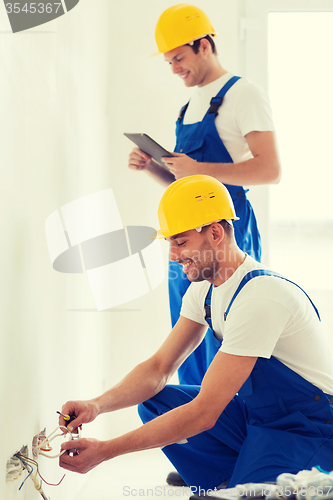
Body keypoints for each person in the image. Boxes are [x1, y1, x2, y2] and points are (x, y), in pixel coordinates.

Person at [59, 175, 333, 492]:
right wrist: (97, 405)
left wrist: (107, 451)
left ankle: (261, 481)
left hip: (308, 429)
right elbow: (159, 368)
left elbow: (205, 412)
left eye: (181, 242)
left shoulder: (260, 297)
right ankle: (230, 481)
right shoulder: (205, 290)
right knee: (155, 401)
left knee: (250, 495)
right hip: (259, 415)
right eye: (170, 244)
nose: (174, 255)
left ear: (215, 232)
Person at [128, 4, 281, 397]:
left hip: (224, 231)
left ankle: (235, 439)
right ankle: (201, 443)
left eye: (179, 57)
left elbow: (269, 170)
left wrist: (201, 167)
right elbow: (188, 181)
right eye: (169, 62)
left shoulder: (243, 94)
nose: (175, 68)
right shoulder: (189, 106)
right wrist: (151, 166)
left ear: (204, 45)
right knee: (187, 332)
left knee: (230, 330)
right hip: (185, 236)